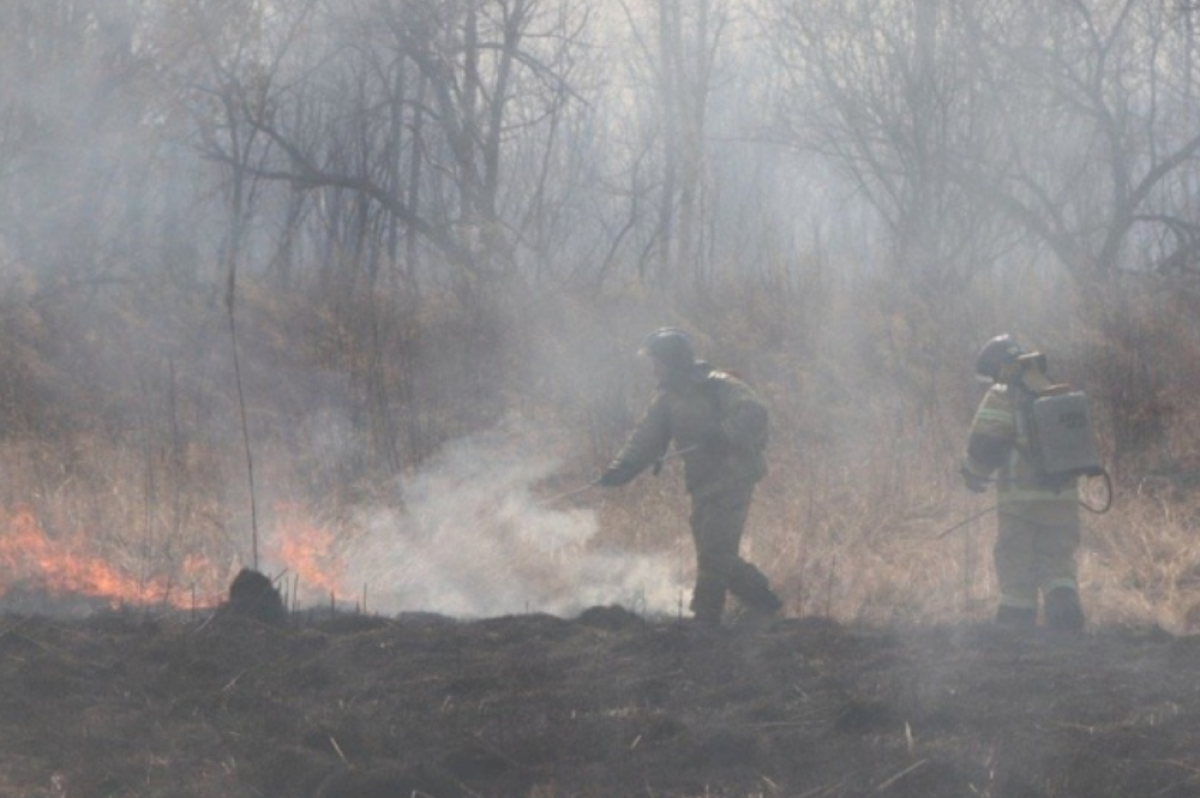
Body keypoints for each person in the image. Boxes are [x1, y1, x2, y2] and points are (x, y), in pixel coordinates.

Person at [598, 327, 783, 627]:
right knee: (716, 552)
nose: (653, 368)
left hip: (734, 479)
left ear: (673, 361)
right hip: (703, 486)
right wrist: (622, 468)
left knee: (713, 555)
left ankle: (706, 621)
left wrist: (723, 433)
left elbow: (754, 411)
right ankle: (765, 602)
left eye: (657, 361)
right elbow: (645, 438)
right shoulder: (668, 400)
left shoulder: (718, 385)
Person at [961, 334, 1086, 632]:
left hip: (1021, 502)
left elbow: (985, 445)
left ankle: (1016, 630)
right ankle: (1066, 626)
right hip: (1063, 497)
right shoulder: (1052, 388)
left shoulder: (1004, 394)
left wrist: (972, 474)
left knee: (1016, 559)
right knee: (1057, 562)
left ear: (998, 366)